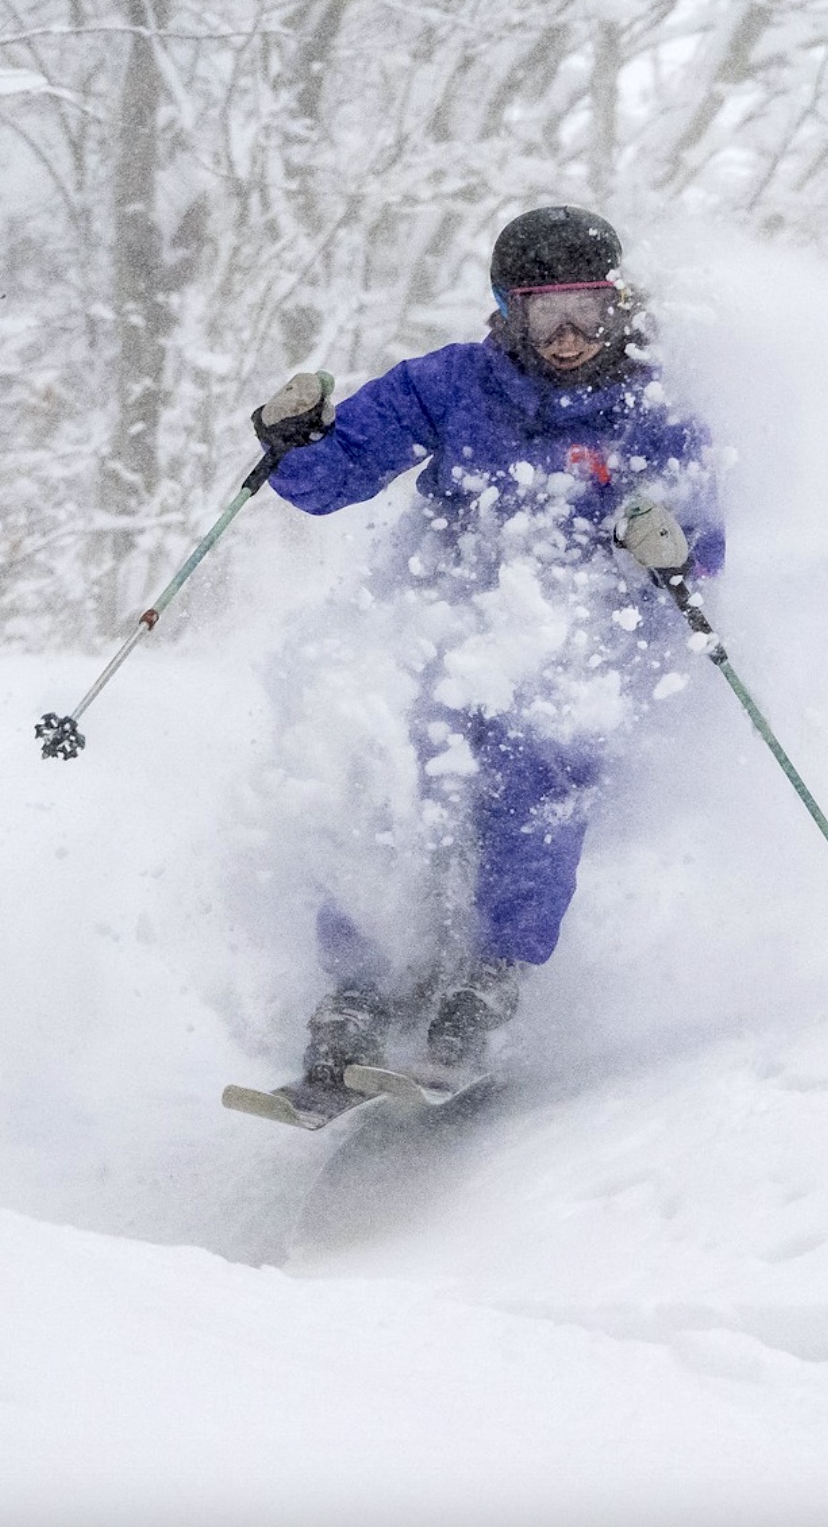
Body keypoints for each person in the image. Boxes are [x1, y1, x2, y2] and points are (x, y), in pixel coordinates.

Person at [247, 205, 722, 1106]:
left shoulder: (652, 412)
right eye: (549, 315)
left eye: (589, 309)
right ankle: (357, 986)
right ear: (510, 312)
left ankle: (489, 979)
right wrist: (292, 440)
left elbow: (702, 547)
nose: (572, 335)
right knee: (382, 765)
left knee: (539, 774)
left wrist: (673, 549)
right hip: (437, 616)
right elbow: (331, 479)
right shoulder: (456, 385)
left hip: (572, 639)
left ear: (618, 305)